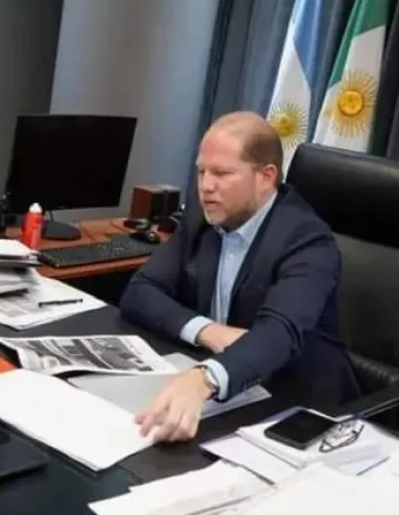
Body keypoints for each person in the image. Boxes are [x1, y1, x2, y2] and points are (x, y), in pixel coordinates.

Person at [119, 111, 358, 444]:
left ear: (266, 177)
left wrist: (205, 379)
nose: (206, 186)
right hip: (228, 387)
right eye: (201, 171)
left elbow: (279, 332)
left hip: (298, 407)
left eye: (221, 173)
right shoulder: (204, 216)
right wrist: (208, 331)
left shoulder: (307, 240)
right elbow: (140, 291)